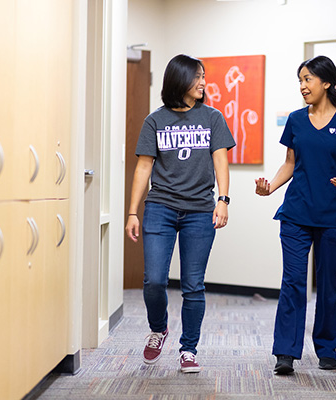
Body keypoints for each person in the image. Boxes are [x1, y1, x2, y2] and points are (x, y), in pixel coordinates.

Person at [255, 55, 336, 374]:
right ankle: (285, 352)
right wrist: (271, 187)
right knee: (293, 282)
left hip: (333, 217)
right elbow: (290, 163)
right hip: (295, 214)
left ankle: (326, 348)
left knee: (329, 284)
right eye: (300, 80)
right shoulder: (295, 120)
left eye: (307, 79)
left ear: (327, 83)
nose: (302, 86)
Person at [126, 54, 235, 373]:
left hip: (200, 210)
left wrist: (224, 199)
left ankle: (189, 349)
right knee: (154, 281)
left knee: (193, 285)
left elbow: (220, 161)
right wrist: (133, 211)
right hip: (160, 207)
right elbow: (143, 167)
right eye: (197, 76)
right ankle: (158, 329)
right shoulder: (155, 120)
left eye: (204, 76)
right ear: (180, 79)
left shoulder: (213, 117)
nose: (204, 82)